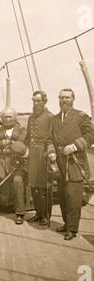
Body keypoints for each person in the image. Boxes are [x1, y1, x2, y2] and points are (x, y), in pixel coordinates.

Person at [46, 88, 94, 240]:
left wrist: (74, 146)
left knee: (73, 198)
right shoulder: (54, 119)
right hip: (59, 164)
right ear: (58, 99)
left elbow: (90, 135)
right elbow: (49, 139)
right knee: (62, 196)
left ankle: (72, 229)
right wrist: (52, 151)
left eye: (67, 97)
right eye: (62, 97)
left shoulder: (81, 116)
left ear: (73, 99)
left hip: (75, 163)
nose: (64, 100)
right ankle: (67, 224)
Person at [25, 91, 54, 226]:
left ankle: (46, 216)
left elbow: (51, 138)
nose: (36, 103)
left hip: (43, 155)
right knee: (34, 185)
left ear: (44, 102)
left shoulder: (50, 117)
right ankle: (38, 213)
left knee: (44, 187)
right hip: (32, 154)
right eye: (34, 101)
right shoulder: (31, 118)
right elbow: (27, 137)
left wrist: (49, 153)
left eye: (38, 101)